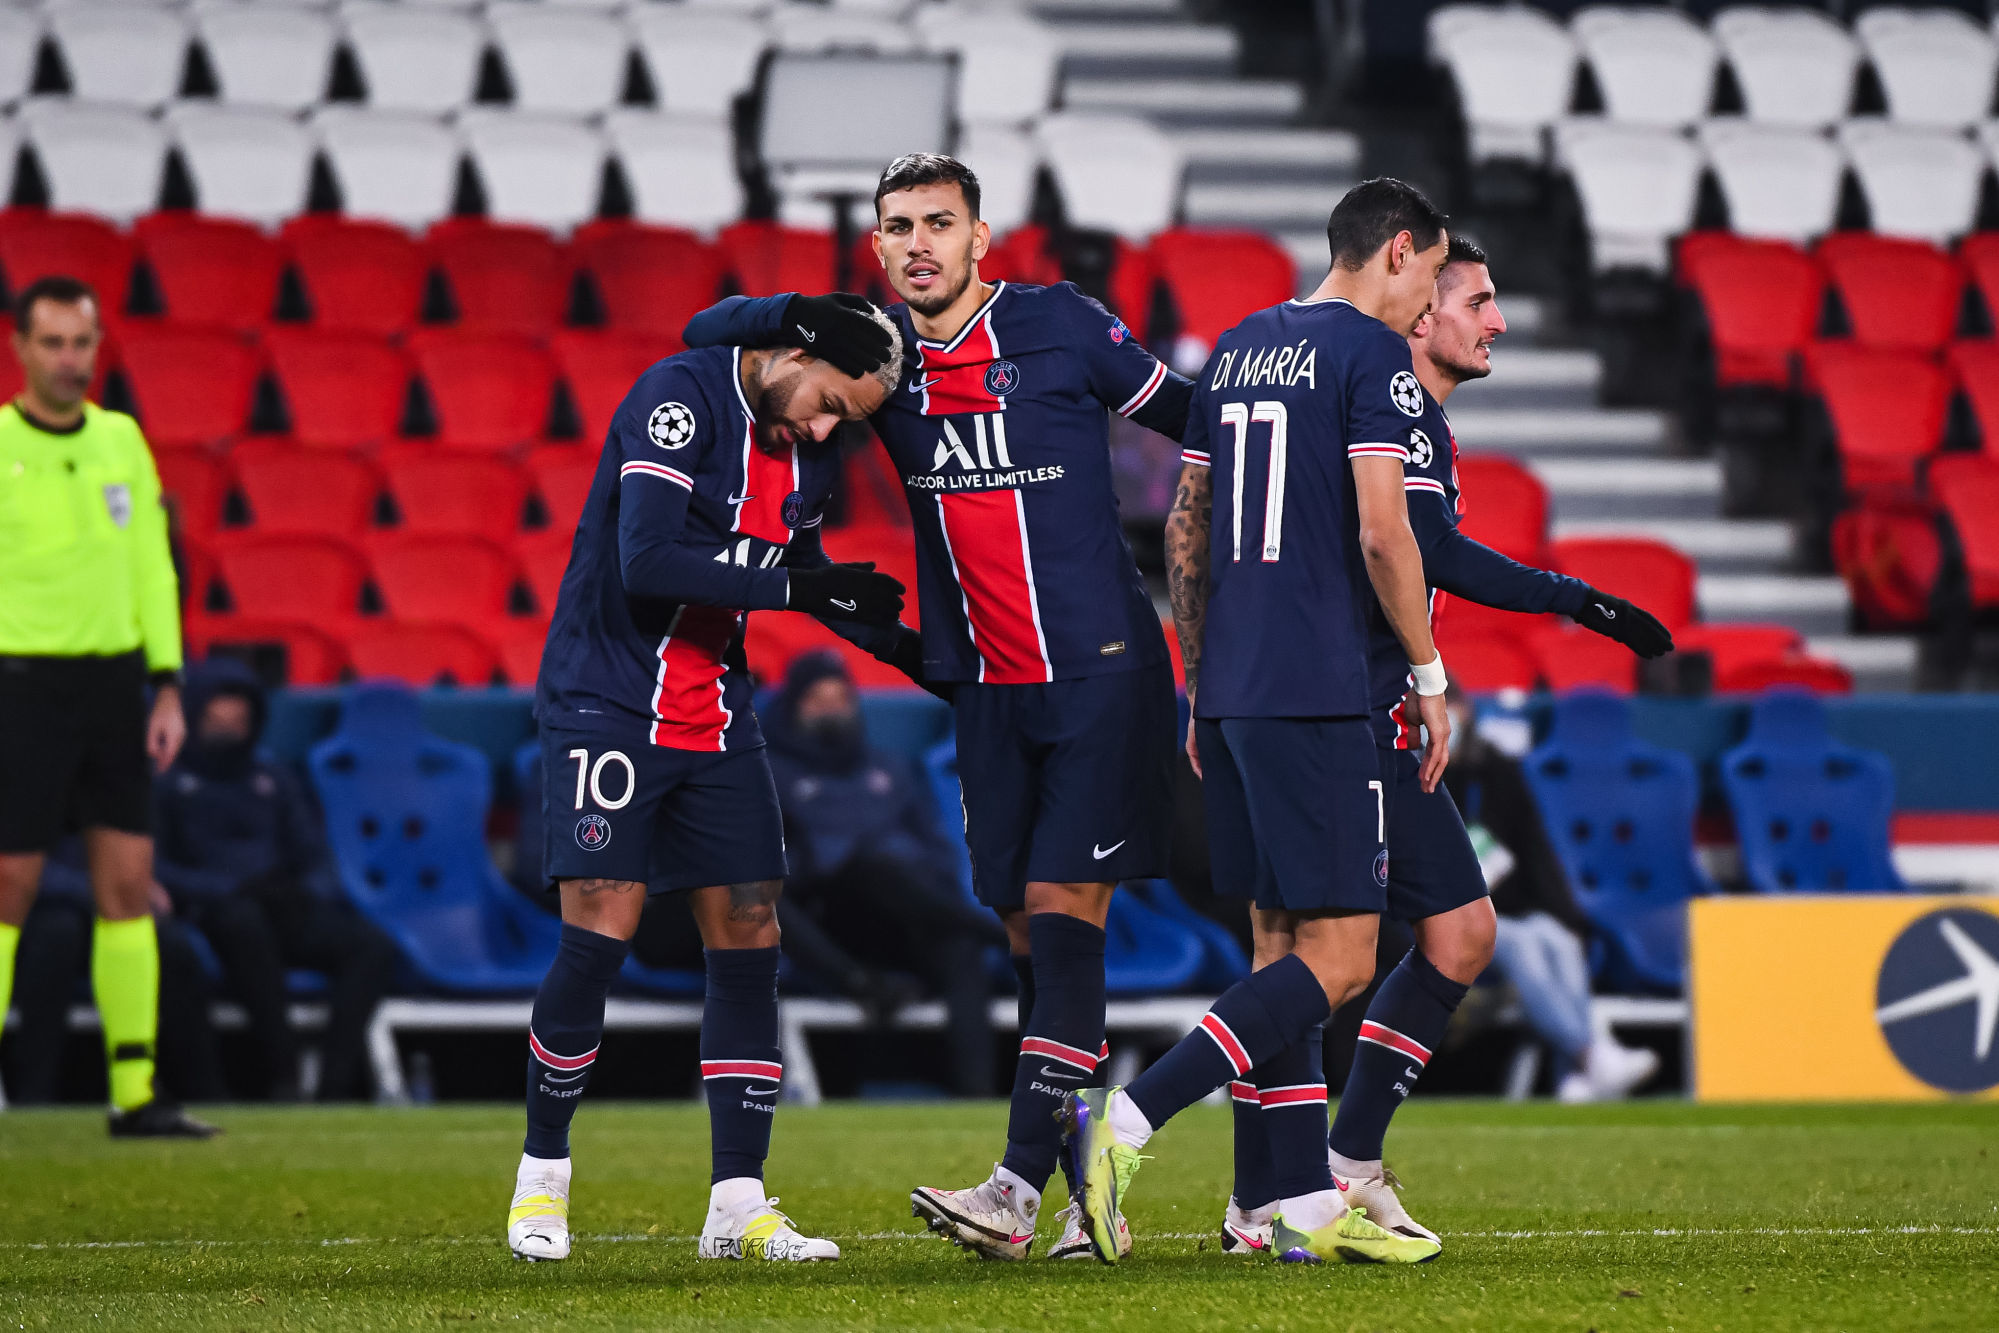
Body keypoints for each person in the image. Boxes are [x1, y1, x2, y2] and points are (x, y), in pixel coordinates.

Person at [682, 153, 1193, 1261]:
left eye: (939, 223)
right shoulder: (879, 358)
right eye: (899, 226)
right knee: (1024, 932)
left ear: (980, 237)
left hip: (1102, 675)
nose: (919, 243)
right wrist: (797, 313)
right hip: (986, 692)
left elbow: (1195, 422)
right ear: (875, 247)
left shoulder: (1060, 325)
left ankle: (1014, 1191)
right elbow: (704, 331)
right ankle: (1083, 1190)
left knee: (1063, 910)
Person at [1209, 234, 1674, 1259]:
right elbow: (1429, 549)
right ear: (1422, 312)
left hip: (1342, 706)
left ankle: (1337, 1165)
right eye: (1477, 299)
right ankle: (1202, 1156)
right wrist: (1576, 601)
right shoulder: (1392, 404)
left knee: (1457, 932)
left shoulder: (1397, 410)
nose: (1495, 320)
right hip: (1337, 711)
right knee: (1309, 953)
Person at [1065, 177, 1457, 1266]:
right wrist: (1426, 670)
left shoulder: (1238, 347)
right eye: (1430, 273)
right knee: (1340, 957)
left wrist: (1200, 679)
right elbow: (1383, 532)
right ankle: (1126, 1118)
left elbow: (1185, 526)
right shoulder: (1370, 357)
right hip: (1318, 683)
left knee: (1278, 943)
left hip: (1233, 682)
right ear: (1397, 250)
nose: (1429, 301)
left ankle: (1286, 1205)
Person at [506, 298, 916, 1266]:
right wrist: (800, 585)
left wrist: (913, 654)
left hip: (716, 714)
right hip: (607, 700)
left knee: (750, 933)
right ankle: (541, 1178)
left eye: (844, 422)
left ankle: (737, 1201)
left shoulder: (801, 453)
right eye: (827, 404)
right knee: (599, 932)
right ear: (798, 353)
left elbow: (803, 571)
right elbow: (648, 562)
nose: (824, 430)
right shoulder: (678, 398)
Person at [0, 275, 214, 1137]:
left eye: (81, 343)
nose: (69, 360)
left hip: (113, 687)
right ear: (20, 347)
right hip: (19, 684)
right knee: (8, 887)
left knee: (126, 884)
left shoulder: (122, 439)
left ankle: (134, 1090)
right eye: (53, 342)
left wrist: (167, 682)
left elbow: (152, 568)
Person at [762, 650, 1006, 1098]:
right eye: (817, 699)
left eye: (840, 698)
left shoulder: (890, 769)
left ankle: (978, 1101)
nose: (831, 709)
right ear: (793, 705)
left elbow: (935, 851)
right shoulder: (770, 774)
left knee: (958, 948)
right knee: (872, 867)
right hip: (830, 919)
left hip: (906, 916)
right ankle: (1002, 933)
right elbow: (776, 868)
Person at [154, 660, 400, 1101]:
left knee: (371, 947)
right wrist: (219, 889)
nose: (230, 730)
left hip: (279, 903)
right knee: (243, 922)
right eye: (217, 720)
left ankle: (334, 1085)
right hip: (212, 911)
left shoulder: (273, 779)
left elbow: (312, 853)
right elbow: (152, 866)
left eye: (239, 721)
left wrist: (303, 890)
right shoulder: (167, 783)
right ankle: (283, 1071)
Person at [1444, 690, 1659, 1103]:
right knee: (1523, 945)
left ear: (1465, 712)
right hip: (1453, 919)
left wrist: (1567, 918)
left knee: (1559, 940)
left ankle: (1576, 1076)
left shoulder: (1495, 770)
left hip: (1509, 910)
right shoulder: (1411, 776)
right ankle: (1590, 1052)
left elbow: (1536, 852)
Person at [2, 839, 224, 1107]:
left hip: (116, 909)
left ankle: (195, 1094)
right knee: (58, 936)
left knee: (174, 947)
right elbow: (23, 870)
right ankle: (33, 1092)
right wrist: (106, 889)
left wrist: (140, 888)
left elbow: (146, 857)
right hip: (49, 911)